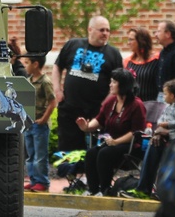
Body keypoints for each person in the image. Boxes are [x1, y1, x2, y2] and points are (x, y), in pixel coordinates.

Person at [52, 16, 123, 153]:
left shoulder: (113, 54)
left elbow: (117, 82)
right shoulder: (73, 44)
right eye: (101, 30)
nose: (105, 33)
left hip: (96, 111)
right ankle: (71, 173)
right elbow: (57, 66)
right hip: (70, 108)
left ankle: (90, 173)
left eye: (108, 30)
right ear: (90, 29)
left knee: (95, 149)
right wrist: (57, 90)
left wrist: (106, 104)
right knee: (68, 150)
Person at [75, 67, 147, 197]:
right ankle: (93, 189)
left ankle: (105, 189)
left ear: (123, 85)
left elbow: (136, 132)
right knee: (91, 153)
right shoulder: (111, 101)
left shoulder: (137, 105)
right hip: (111, 143)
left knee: (104, 153)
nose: (110, 84)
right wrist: (86, 126)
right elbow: (99, 120)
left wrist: (116, 142)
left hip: (130, 147)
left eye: (114, 82)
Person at [132, 79, 175, 196]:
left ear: (172, 95)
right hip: (165, 138)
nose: (164, 96)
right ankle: (143, 189)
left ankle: (161, 191)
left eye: (166, 94)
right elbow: (160, 121)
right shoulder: (168, 107)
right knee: (153, 144)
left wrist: (166, 127)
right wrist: (159, 132)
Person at [22, 53, 55, 192]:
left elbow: (52, 102)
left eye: (27, 62)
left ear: (35, 64)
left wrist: (44, 119)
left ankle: (42, 181)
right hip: (29, 123)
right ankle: (34, 179)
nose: (25, 66)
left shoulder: (45, 82)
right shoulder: (28, 81)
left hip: (39, 124)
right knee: (30, 155)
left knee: (40, 156)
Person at [125, 27, 159, 104]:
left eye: (131, 39)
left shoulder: (156, 60)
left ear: (141, 41)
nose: (128, 43)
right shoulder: (128, 61)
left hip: (151, 105)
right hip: (133, 105)